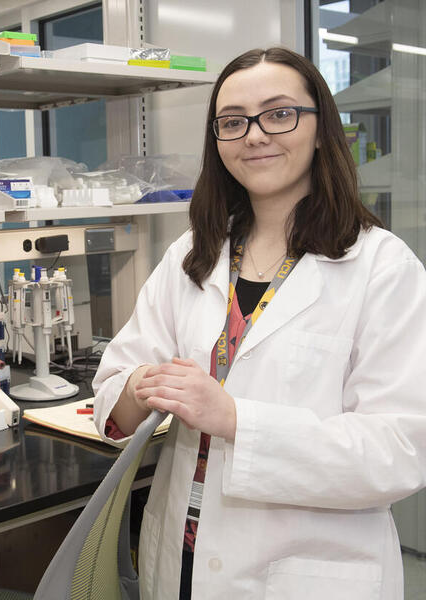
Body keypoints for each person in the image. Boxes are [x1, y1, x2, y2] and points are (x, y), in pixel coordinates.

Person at [93, 47, 426, 600]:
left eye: (279, 114)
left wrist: (235, 419)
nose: (254, 135)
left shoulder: (383, 269)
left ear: (320, 129)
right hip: (179, 560)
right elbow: (114, 395)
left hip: (307, 574)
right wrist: (136, 387)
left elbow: (401, 450)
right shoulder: (192, 255)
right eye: (233, 121)